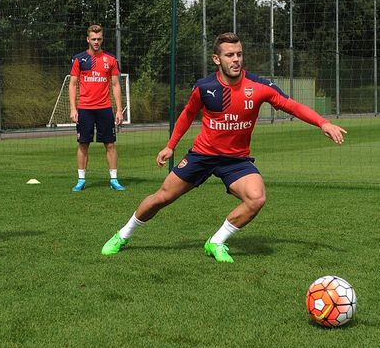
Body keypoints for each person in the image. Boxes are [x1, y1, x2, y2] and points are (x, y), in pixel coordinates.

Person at [101, 32, 346, 262]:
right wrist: (170, 146)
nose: (236, 59)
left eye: (239, 54)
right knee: (161, 198)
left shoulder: (259, 86)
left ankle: (216, 242)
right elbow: (187, 115)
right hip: (203, 155)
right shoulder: (205, 87)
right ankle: (122, 235)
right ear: (217, 59)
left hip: (236, 160)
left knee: (257, 198)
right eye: (230, 55)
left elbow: (292, 105)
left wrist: (322, 123)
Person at [69, 24, 125, 192]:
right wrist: (73, 108)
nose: (96, 42)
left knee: (110, 144)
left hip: (105, 109)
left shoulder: (111, 60)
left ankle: (114, 179)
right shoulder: (79, 59)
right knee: (83, 144)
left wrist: (119, 110)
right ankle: (81, 180)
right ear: (88, 39)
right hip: (85, 109)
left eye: (99, 39)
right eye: (93, 39)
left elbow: (115, 85)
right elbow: (72, 85)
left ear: (102, 39)